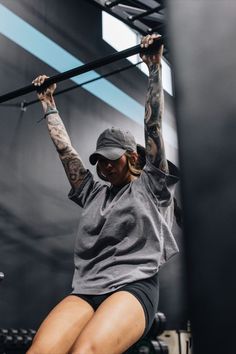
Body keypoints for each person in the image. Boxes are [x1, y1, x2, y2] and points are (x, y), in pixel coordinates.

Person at [28, 33, 179, 354]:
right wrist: (48, 103)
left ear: (133, 157)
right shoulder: (92, 192)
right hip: (85, 289)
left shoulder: (152, 184)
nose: (105, 167)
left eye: (112, 159)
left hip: (133, 287)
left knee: (86, 352)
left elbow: (153, 127)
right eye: (99, 161)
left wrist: (154, 69)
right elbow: (66, 152)